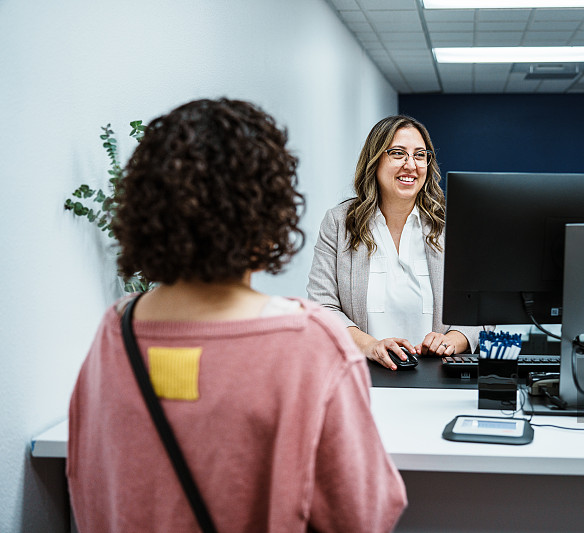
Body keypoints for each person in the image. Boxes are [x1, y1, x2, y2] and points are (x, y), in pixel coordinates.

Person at [67, 98, 406, 532]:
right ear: (268, 209)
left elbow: (86, 487)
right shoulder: (308, 341)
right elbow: (363, 513)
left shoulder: (116, 331)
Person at [307, 115, 482, 370]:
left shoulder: (451, 224)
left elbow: (480, 307)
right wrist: (369, 345)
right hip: (361, 374)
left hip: (437, 377)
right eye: (398, 153)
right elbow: (322, 305)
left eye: (420, 155)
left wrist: (453, 340)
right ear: (375, 160)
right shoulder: (339, 222)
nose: (410, 165)